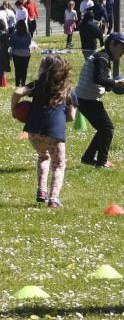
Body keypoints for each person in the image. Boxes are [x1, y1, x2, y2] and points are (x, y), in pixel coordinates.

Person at [12, 55, 75, 208]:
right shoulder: (68, 90)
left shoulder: (36, 85)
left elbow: (18, 92)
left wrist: (14, 110)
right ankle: (54, 198)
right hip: (55, 132)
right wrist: (60, 119)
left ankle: (41, 191)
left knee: (43, 157)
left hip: (34, 131)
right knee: (58, 165)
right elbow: (72, 117)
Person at [74, 33, 124, 168]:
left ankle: (88, 157)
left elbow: (101, 81)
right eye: (122, 48)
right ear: (112, 44)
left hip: (85, 98)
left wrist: (111, 86)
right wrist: (114, 83)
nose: (123, 52)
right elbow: (98, 78)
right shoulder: (102, 57)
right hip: (87, 99)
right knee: (107, 129)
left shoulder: (103, 57)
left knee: (103, 129)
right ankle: (102, 161)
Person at [10, 20, 32, 87]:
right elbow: (29, 43)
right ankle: (23, 83)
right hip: (26, 53)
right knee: (24, 69)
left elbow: (12, 43)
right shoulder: (28, 34)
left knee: (17, 69)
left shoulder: (14, 34)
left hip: (16, 53)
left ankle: (17, 83)